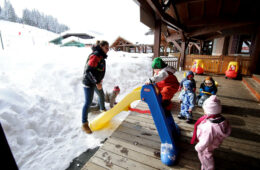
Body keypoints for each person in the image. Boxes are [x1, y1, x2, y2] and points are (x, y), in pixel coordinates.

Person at [191, 95, 231, 170]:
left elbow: (205, 141)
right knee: (210, 151)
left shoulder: (210, 128)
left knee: (206, 156)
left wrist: (198, 147)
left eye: (205, 110)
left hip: (207, 145)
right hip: (215, 141)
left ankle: (208, 168)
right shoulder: (222, 120)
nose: (204, 111)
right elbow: (228, 129)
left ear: (210, 111)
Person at [82, 40, 109, 134]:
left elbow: (98, 70)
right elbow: (89, 71)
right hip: (89, 83)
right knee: (88, 102)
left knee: (101, 94)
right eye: (106, 48)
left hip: (95, 82)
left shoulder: (101, 56)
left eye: (108, 48)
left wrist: (99, 81)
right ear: (101, 46)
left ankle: (102, 109)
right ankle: (84, 124)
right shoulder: (96, 55)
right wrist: (97, 82)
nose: (107, 50)